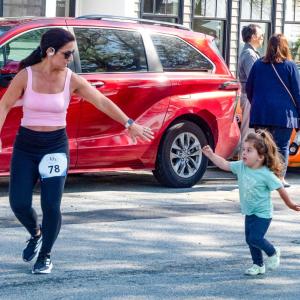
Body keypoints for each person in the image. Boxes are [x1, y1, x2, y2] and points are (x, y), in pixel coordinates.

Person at [0, 28, 154, 274]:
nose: (71, 58)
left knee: (51, 205)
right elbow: (5, 105)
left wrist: (129, 124)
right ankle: (36, 233)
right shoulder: (26, 76)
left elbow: (102, 101)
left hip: (55, 147)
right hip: (26, 145)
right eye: (67, 53)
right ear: (50, 52)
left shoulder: (71, 78)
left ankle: (46, 254)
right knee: (18, 203)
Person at [202, 130, 300, 276]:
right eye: (244, 150)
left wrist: (290, 204)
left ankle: (273, 252)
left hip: (263, 214)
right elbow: (225, 164)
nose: (244, 153)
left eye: (249, 150)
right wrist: (211, 155)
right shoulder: (241, 166)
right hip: (249, 211)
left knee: (255, 238)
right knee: (250, 240)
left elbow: (280, 188)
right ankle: (258, 265)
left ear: (260, 156)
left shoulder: (266, 174)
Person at [246, 33, 300, 187]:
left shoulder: (257, 65)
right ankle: (279, 178)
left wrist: (257, 104)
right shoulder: (290, 66)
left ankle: (260, 177)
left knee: (261, 146)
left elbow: (249, 88)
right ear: (285, 46)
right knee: (282, 146)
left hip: (261, 113)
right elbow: (297, 93)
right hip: (284, 115)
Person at [238, 24, 264, 147]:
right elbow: (254, 78)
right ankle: (244, 164)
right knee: (248, 132)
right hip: (249, 97)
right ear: (253, 36)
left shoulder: (252, 53)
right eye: (261, 35)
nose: (263, 38)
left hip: (250, 96)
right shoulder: (249, 54)